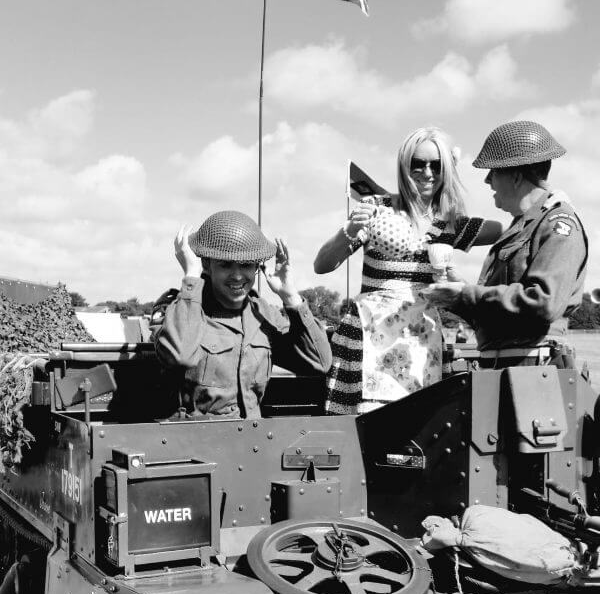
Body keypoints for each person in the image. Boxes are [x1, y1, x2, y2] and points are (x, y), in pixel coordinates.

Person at [315, 127, 502, 414]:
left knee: (420, 427)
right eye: (418, 163)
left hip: (421, 337)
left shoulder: (452, 224)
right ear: (404, 165)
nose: (428, 173)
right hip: (370, 334)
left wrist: (551, 205)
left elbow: (510, 230)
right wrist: (350, 228)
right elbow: (322, 265)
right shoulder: (377, 209)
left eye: (437, 165)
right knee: (364, 428)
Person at [423, 120, 587, 366]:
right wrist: (458, 295)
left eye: (494, 172)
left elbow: (543, 303)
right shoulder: (524, 225)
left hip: (532, 369)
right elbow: (502, 314)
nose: (488, 181)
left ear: (517, 176)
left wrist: (468, 295)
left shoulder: (557, 224)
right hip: (510, 366)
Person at [153, 209, 331, 418]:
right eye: (225, 265)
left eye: (246, 265)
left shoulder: (262, 314)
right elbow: (180, 356)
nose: (237, 276)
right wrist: (191, 277)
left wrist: (291, 298)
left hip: (252, 440)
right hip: (193, 440)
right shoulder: (184, 310)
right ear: (207, 266)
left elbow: (320, 362)